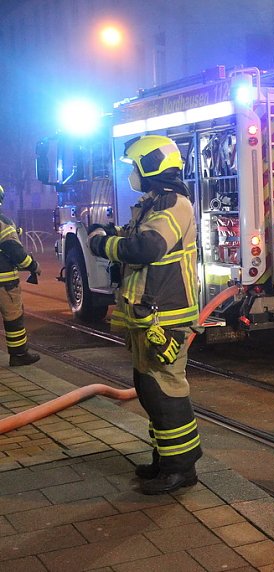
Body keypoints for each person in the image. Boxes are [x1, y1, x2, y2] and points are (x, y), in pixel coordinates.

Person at [88, 135, 202, 496]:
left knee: (164, 389)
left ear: (149, 165)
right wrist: (112, 232)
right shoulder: (154, 204)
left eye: (135, 166)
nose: (132, 174)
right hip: (148, 315)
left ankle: (181, 467)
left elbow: (147, 247)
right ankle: (165, 459)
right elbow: (135, 236)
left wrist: (100, 243)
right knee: (149, 388)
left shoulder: (174, 204)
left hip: (166, 317)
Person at [0, 184, 41, 367]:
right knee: (13, 318)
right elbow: (14, 250)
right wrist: (33, 266)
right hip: (4, 283)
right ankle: (19, 355)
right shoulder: (3, 222)